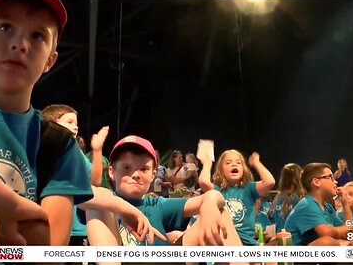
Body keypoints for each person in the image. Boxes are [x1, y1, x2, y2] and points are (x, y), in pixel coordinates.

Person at [0, 0, 94, 258]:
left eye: (38, 36)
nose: (20, 44)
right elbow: (30, 234)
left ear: (50, 60)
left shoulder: (57, 145)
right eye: (5, 27)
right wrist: (3, 205)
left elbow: (45, 251)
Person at [87, 135, 248, 255]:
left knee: (219, 212)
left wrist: (210, 203)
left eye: (143, 169)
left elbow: (214, 197)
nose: (135, 174)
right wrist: (124, 208)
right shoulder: (106, 200)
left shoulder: (156, 204)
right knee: (99, 202)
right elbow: (87, 196)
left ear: (153, 174)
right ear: (112, 172)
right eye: (126, 168)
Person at [42, 104, 109, 247]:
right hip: (46, 227)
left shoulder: (76, 152)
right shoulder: (38, 147)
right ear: (52, 124)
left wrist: (97, 150)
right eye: (69, 122)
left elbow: (94, 180)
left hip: (76, 230)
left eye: (77, 123)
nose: (76, 127)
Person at [198, 149, 276, 246]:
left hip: (247, 242)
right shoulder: (217, 190)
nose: (234, 165)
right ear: (221, 170)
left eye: (238, 163)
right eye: (228, 163)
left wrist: (256, 163)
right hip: (225, 241)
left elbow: (270, 182)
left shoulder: (249, 188)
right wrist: (207, 163)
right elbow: (203, 182)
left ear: (243, 169)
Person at [284, 163, 353, 246]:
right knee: (327, 242)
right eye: (330, 177)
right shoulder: (307, 204)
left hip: (316, 255)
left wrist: (345, 203)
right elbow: (326, 233)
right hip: (296, 256)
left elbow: (346, 233)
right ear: (316, 182)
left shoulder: (328, 207)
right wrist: (346, 228)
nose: (335, 181)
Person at [271, 163, 305, 233]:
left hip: (280, 237)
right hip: (296, 238)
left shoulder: (278, 197)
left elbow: (273, 218)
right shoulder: (301, 196)